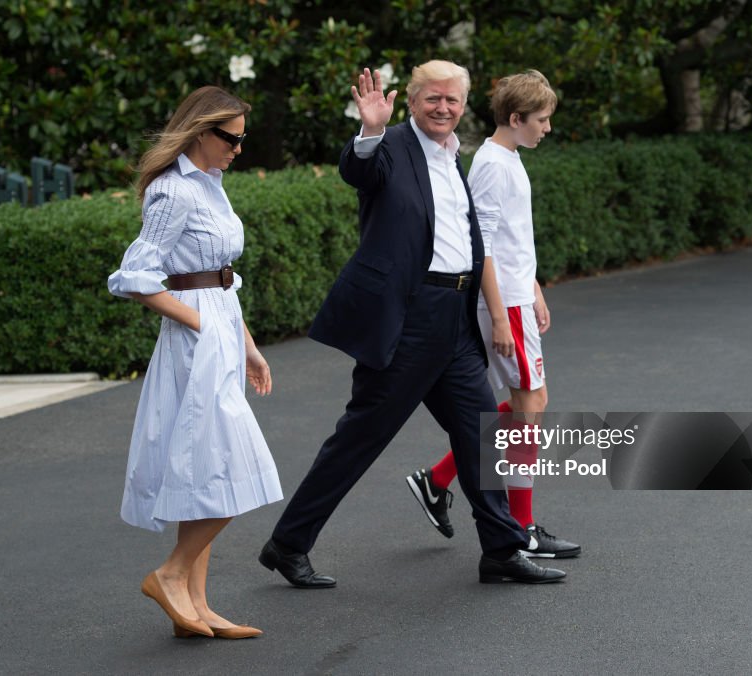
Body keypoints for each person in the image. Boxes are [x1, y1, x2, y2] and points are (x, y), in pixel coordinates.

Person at [259, 61, 566, 587]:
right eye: (432, 99)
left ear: (463, 105)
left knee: (479, 435)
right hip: (408, 320)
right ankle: (288, 544)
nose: (442, 108)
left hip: (455, 318)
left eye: (452, 100)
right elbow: (360, 172)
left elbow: (472, 237)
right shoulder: (391, 147)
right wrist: (371, 129)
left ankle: (501, 549)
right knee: (361, 437)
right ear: (412, 102)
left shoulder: (454, 157)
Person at [108, 85, 282, 639]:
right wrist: (205, 326)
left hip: (221, 330)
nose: (238, 149)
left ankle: (197, 607)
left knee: (206, 469)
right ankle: (171, 574)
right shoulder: (172, 191)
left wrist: (246, 343)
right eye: (230, 138)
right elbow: (135, 278)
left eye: (242, 139)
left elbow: (221, 277)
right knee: (234, 464)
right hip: (196, 341)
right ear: (201, 132)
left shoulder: (212, 185)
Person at [405, 70, 581, 560]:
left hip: (516, 297)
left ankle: (438, 481)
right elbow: (478, 245)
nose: (547, 128)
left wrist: (535, 287)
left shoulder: (507, 157)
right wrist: (502, 315)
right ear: (516, 117)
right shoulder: (493, 165)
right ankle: (521, 527)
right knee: (531, 407)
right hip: (503, 304)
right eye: (542, 120)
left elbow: (510, 241)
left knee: (528, 406)